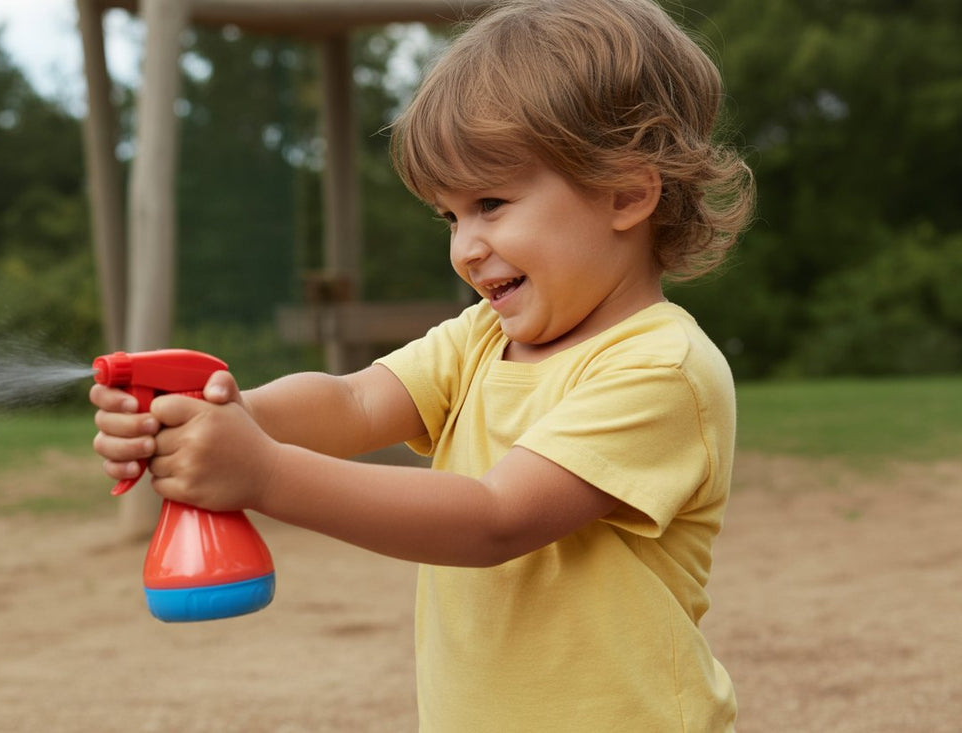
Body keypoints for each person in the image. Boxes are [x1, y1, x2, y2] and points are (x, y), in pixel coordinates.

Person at [91, 0, 754, 729]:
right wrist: (218, 413)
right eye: (451, 215)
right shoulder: (479, 336)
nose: (464, 247)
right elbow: (351, 403)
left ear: (627, 192)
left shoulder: (660, 367)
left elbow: (495, 519)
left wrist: (263, 473)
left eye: (492, 203)